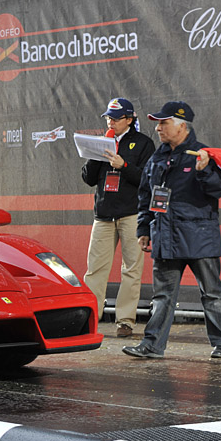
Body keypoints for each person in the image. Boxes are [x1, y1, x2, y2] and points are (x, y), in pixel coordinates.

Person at [123, 101, 221, 360]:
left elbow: (218, 189)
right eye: (158, 123)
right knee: (162, 296)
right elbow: (145, 196)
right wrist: (143, 228)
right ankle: (152, 346)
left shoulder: (202, 154)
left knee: (212, 294)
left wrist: (204, 171)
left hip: (199, 237)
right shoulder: (157, 157)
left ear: (182, 126)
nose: (158, 128)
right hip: (165, 236)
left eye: (164, 123)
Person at [81, 98, 155, 338]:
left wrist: (124, 165)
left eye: (115, 118)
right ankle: (90, 318)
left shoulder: (143, 143)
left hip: (131, 213)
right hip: (103, 214)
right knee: (95, 269)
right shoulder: (103, 141)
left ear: (130, 120)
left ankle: (125, 320)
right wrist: (95, 153)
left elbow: (148, 179)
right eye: (108, 117)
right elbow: (88, 178)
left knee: (131, 269)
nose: (110, 121)